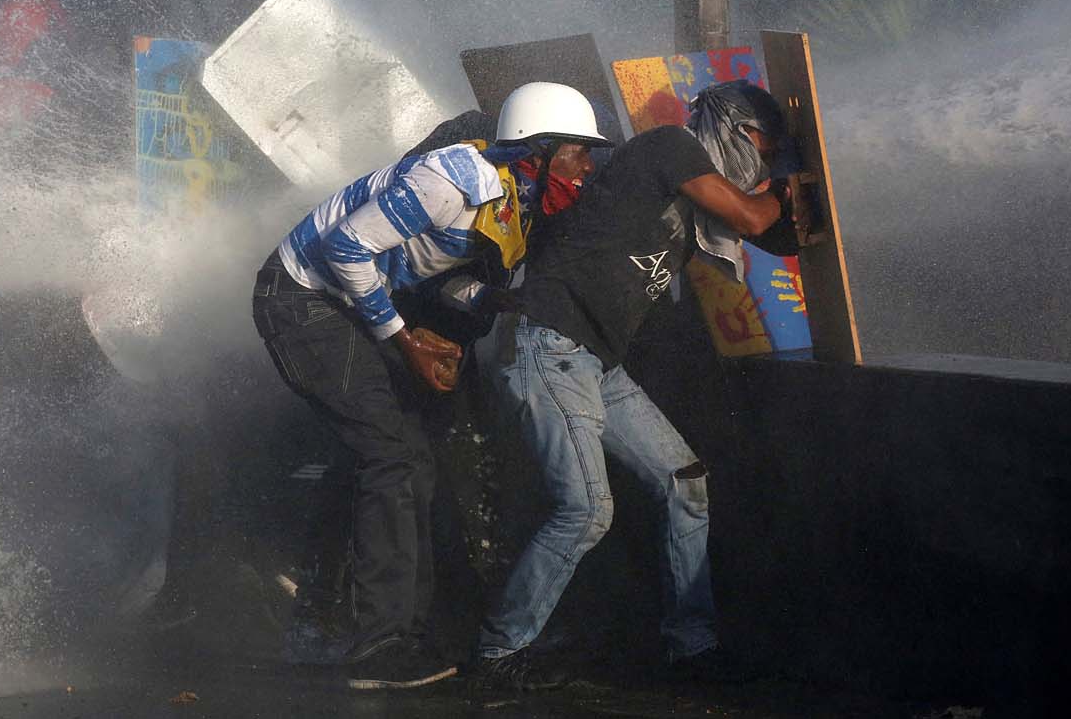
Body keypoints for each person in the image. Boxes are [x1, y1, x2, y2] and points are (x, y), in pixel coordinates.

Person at [252, 82, 612, 690]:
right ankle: (376, 645)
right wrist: (404, 340)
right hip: (301, 299)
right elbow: (346, 247)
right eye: (577, 152)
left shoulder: (513, 206)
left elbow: (440, 279)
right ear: (537, 150)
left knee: (408, 457)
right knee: (393, 455)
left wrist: (502, 298)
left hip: (344, 305)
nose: (585, 170)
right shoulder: (452, 179)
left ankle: (393, 635)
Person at [467, 79, 791, 693]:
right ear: (731, 129)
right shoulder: (668, 146)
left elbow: (768, 230)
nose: (763, 160)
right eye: (761, 145)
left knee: (684, 481)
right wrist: (788, 188)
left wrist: (788, 202)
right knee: (587, 511)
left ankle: (692, 648)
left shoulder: (691, 192)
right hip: (552, 342)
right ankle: (497, 655)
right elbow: (754, 216)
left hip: (594, 359)